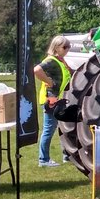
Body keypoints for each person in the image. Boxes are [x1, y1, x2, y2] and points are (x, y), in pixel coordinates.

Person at [32, 35, 72, 168]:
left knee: (64, 128)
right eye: (65, 47)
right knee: (49, 130)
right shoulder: (51, 61)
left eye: (68, 46)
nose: (67, 49)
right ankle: (43, 159)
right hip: (51, 100)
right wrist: (48, 81)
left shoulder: (60, 60)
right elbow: (37, 70)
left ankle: (67, 155)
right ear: (56, 47)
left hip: (59, 100)